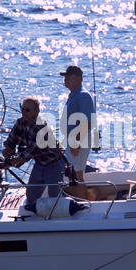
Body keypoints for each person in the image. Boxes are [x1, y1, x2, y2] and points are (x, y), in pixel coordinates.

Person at [2, 97, 65, 204]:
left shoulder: (41, 127)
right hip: (39, 163)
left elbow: (29, 153)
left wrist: (10, 163)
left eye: (27, 110)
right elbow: (12, 140)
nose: (23, 112)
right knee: (31, 196)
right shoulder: (20, 122)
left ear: (37, 111)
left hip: (55, 163)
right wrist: (8, 150)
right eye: (22, 109)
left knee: (55, 197)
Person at [60, 65, 95, 200]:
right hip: (72, 139)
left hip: (79, 140)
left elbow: (86, 122)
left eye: (69, 77)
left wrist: (77, 143)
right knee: (73, 173)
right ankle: (80, 201)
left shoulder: (83, 95)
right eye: (65, 77)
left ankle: (84, 203)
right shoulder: (74, 95)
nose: (66, 80)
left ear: (79, 78)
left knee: (77, 175)